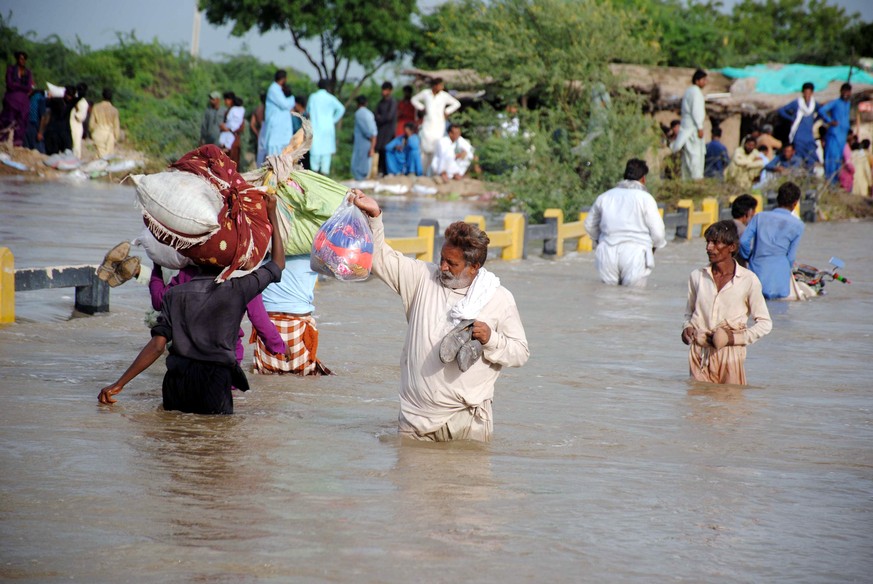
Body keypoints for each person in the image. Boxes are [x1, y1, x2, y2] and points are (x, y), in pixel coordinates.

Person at [351, 190, 529, 442]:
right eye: (442, 259)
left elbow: (521, 353)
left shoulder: (499, 298)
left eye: (452, 263)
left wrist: (491, 340)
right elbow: (380, 258)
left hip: (467, 421)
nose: (442, 267)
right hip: (415, 418)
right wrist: (375, 216)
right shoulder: (422, 278)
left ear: (474, 267)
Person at [98, 195, 287, 414]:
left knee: (173, 439)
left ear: (191, 258)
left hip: (176, 383)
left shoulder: (174, 294)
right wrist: (272, 213)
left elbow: (157, 346)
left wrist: (119, 383)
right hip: (215, 383)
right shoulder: (238, 289)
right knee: (214, 440)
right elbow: (277, 264)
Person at [682, 220, 772, 385]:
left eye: (716, 243)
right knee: (697, 405)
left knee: (730, 406)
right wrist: (687, 328)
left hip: (730, 355)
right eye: (708, 242)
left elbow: (765, 323)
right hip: (699, 352)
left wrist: (734, 338)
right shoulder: (697, 276)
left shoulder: (748, 280)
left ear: (732, 247)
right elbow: (689, 313)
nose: (709, 247)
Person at [149, 265, 287, 371]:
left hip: (186, 359)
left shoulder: (187, 272)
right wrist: (278, 346)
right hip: (224, 361)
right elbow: (259, 318)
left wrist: (157, 268)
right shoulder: (243, 279)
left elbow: (158, 301)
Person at [584, 158, 667, 287]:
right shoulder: (646, 199)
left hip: (607, 253)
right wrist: (653, 248)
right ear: (643, 179)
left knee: (607, 300)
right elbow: (658, 233)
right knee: (633, 300)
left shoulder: (605, 197)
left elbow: (589, 225)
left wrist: (601, 241)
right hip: (636, 253)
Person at [252, 255, 332, 376]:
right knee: (307, 382)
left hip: (266, 326)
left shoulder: (262, 250)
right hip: (298, 326)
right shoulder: (314, 253)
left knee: (266, 381)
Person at [739, 181, 804, 300]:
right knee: (780, 313)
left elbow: (743, 241)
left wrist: (748, 257)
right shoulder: (798, 225)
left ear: (777, 199)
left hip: (757, 272)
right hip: (780, 279)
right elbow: (791, 257)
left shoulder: (759, 217)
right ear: (795, 204)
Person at [411, 77, 461, 173]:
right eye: (440, 85)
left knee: (437, 148)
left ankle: (435, 172)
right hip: (428, 124)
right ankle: (422, 172)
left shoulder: (444, 96)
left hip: (439, 125)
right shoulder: (426, 93)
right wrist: (422, 108)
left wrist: (447, 111)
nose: (441, 87)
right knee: (425, 148)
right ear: (435, 86)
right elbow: (414, 99)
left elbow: (456, 103)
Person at [671, 69, 708, 180]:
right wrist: (700, 127)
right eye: (704, 80)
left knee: (688, 159)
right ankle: (696, 182)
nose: (706, 82)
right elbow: (696, 111)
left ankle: (688, 182)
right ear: (697, 81)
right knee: (695, 158)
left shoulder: (689, 91)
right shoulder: (695, 92)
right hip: (693, 130)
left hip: (687, 129)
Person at [306, 79, 345, 175]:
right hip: (328, 129)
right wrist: (333, 120)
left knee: (315, 153)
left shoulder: (313, 97)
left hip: (316, 127)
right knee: (326, 154)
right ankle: (324, 175)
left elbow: (307, 111)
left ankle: (314, 174)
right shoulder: (330, 98)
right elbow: (341, 109)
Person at [777, 82, 820, 169]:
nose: (807, 95)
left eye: (809, 93)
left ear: (812, 93)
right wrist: (791, 119)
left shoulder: (814, 104)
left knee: (811, 159)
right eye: (805, 92)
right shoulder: (797, 103)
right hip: (798, 136)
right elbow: (781, 110)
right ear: (803, 92)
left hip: (809, 137)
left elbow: (822, 112)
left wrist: (814, 121)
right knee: (798, 159)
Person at [819, 83, 852, 184]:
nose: (846, 93)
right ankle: (830, 184)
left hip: (842, 137)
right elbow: (821, 110)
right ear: (841, 92)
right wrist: (829, 121)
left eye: (848, 91)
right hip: (834, 136)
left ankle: (836, 183)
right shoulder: (836, 102)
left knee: (839, 161)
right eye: (844, 91)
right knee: (831, 160)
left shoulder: (848, 104)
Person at [0, 51, 33, 146]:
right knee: (8, 119)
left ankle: (17, 142)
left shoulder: (27, 73)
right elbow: (10, 84)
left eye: (23, 59)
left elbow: (28, 87)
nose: (22, 60)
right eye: (20, 58)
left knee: (21, 122)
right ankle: (3, 140)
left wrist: (17, 86)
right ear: (17, 59)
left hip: (23, 102)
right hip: (11, 100)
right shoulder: (11, 69)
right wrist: (20, 87)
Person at [262, 70, 297, 159]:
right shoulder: (273, 89)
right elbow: (284, 104)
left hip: (282, 129)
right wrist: (292, 99)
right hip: (276, 127)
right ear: (284, 79)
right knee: (273, 153)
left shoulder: (279, 89)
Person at [88, 88, 121, 158]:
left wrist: (92, 131)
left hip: (98, 133)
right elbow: (116, 127)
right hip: (109, 134)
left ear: (102, 96)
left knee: (100, 155)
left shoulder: (96, 107)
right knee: (108, 157)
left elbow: (91, 124)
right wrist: (116, 138)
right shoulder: (114, 110)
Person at [351, 95, 377, 181]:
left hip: (362, 142)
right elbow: (374, 132)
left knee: (359, 165)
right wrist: (373, 146)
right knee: (365, 164)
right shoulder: (370, 113)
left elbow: (368, 132)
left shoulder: (358, 114)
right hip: (369, 142)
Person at [374, 81, 398, 176]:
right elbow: (375, 115)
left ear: (389, 91)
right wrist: (380, 118)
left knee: (386, 150)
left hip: (389, 131)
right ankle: (380, 171)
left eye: (385, 90)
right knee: (380, 150)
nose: (383, 92)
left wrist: (380, 118)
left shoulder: (392, 102)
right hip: (381, 131)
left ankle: (387, 172)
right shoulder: (380, 102)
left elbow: (389, 117)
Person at [219, 92, 245, 166]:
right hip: (225, 138)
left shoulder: (238, 112)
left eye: (226, 100)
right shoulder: (228, 111)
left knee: (233, 162)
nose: (225, 102)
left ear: (231, 100)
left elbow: (241, 127)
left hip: (234, 140)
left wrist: (229, 129)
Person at [70, 83, 89, 159]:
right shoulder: (73, 100)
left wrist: (76, 108)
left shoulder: (83, 103)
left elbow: (81, 117)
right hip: (69, 126)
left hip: (76, 127)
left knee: (76, 146)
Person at [250, 92, 266, 166]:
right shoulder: (270, 109)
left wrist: (257, 133)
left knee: (260, 154)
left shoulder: (257, 109)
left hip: (260, 132)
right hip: (268, 132)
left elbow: (252, 124)